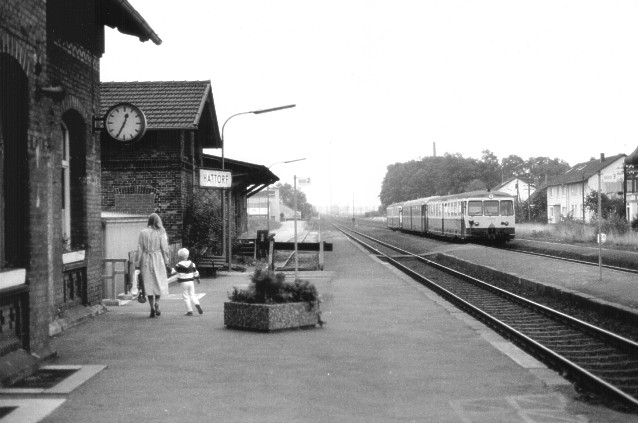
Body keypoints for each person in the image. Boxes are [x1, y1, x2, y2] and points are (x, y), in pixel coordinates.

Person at [135, 213, 170, 318]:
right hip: (158, 258)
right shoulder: (161, 233)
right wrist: (167, 262)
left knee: (148, 283)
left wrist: (137, 263)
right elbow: (165, 249)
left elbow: (139, 248)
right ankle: (157, 303)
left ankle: (151, 308)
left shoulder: (142, 233)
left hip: (146, 259)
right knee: (158, 282)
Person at [169, 248, 203, 316]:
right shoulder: (192, 264)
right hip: (191, 281)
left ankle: (189, 310)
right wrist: (197, 278)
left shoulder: (178, 265)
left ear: (179, 256)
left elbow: (173, 272)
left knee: (186, 296)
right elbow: (195, 272)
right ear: (187, 255)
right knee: (192, 294)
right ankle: (197, 304)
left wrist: (168, 268)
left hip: (183, 282)